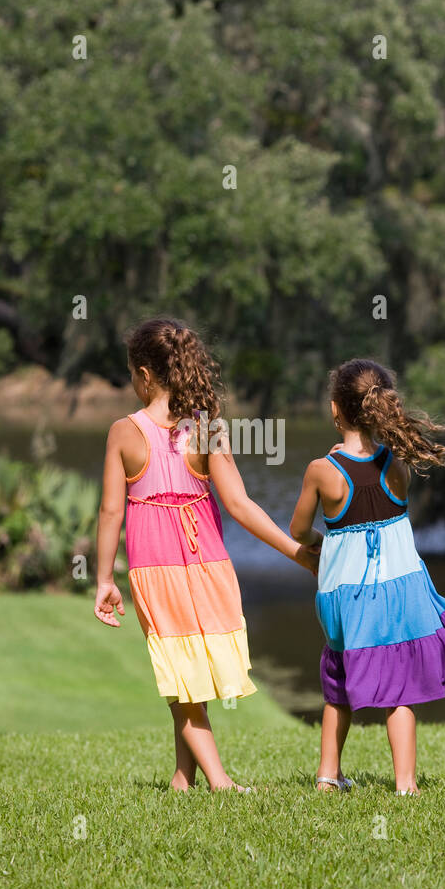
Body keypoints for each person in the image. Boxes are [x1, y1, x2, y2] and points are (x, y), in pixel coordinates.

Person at [94, 316, 318, 791]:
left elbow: (111, 512)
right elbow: (240, 505)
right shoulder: (207, 428)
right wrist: (296, 551)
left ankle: (219, 781)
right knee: (189, 669)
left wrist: (103, 580)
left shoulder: (124, 432)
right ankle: (184, 777)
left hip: (157, 571)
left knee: (183, 673)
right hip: (210, 565)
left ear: (145, 375)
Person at [290, 358, 445, 794]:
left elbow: (297, 530)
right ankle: (406, 785)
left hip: (343, 596)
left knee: (338, 677)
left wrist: (320, 542)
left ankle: (328, 776)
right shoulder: (397, 465)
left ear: (335, 410)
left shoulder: (322, 471)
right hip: (400, 591)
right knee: (400, 688)